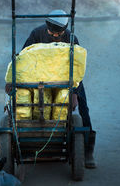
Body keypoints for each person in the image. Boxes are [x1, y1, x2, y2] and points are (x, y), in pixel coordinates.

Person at [22, 10, 96, 169]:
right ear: (47, 27)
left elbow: (77, 66)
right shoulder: (36, 34)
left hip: (66, 77)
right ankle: (34, 137)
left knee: (83, 108)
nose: (55, 36)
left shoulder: (71, 38)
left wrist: (75, 93)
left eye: (59, 34)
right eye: (52, 33)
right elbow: (23, 57)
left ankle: (88, 151)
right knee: (30, 103)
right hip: (40, 76)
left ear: (65, 29)